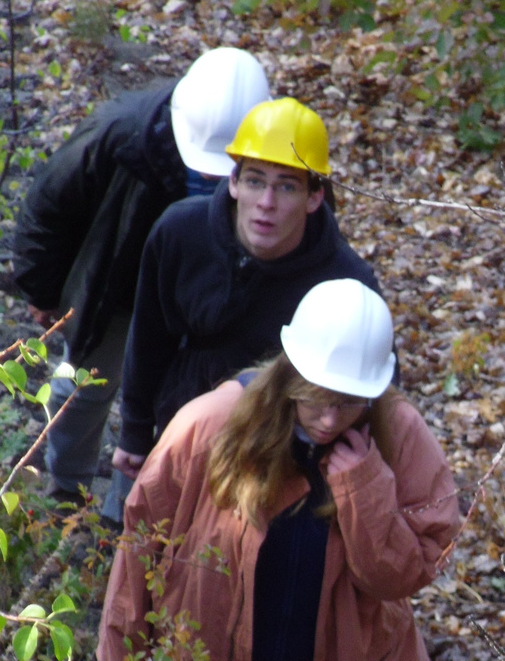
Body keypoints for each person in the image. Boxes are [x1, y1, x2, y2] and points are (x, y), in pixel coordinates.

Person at [97, 278, 458, 661]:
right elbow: (141, 537)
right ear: (289, 373)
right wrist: (124, 647)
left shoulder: (397, 437)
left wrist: (364, 485)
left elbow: (407, 573)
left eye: (347, 403)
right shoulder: (211, 424)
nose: (326, 417)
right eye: (314, 397)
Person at [12, 47, 271, 519]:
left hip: (200, 301)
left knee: (167, 407)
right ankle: (65, 486)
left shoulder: (277, 158)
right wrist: (43, 290)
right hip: (117, 290)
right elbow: (48, 207)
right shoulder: (119, 133)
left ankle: (126, 512)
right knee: (85, 384)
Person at [112, 97, 380, 491]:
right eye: (255, 180)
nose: (266, 204)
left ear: (314, 197)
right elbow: (149, 337)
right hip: (175, 426)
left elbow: (369, 394)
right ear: (233, 182)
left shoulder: (347, 285)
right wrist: (134, 432)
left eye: (287, 186)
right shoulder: (180, 232)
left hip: (277, 464)